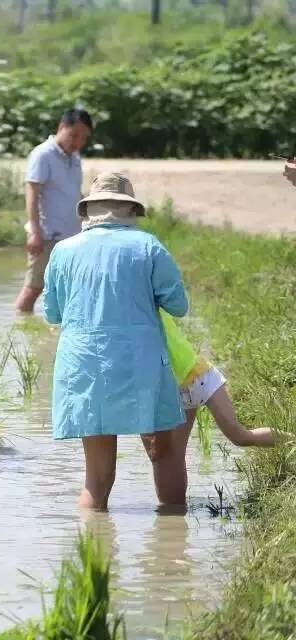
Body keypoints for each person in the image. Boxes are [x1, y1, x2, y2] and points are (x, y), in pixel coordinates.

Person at [43, 172, 188, 510]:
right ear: (131, 210)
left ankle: (93, 540)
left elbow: (52, 313)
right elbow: (179, 306)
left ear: (89, 211)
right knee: (163, 452)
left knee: (95, 478)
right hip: (141, 363)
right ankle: (172, 532)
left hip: (85, 363)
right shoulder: (148, 246)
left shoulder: (63, 251)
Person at [141, 311, 278, 505]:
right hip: (165, 392)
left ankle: (291, 443)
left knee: (240, 436)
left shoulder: (145, 298)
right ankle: (174, 516)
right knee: (165, 459)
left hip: (197, 377)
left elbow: (178, 304)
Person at [16, 108, 94, 314]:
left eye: (83, 138)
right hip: (47, 235)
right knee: (34, 288)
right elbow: (32, 193)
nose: (77, 142)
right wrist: (34, 232)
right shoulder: (43, 155)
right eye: (74, 135)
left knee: (70, 288)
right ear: (61, 127)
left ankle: (60, 328)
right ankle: (20, 325)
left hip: (72, 236)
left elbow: (73, 193)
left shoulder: (74, 157)